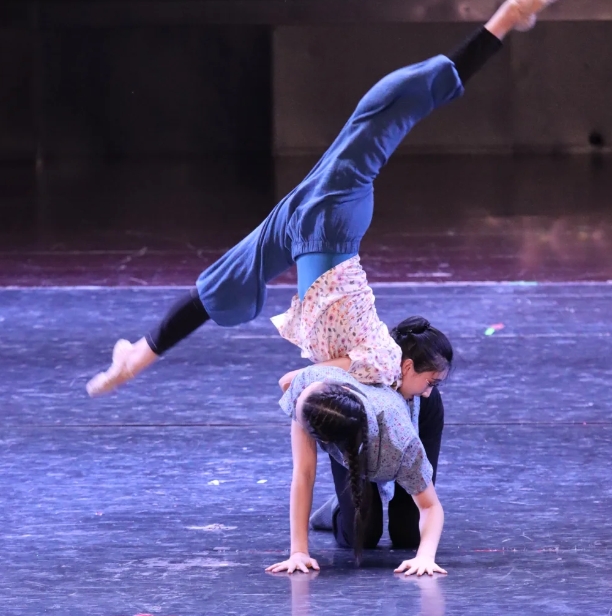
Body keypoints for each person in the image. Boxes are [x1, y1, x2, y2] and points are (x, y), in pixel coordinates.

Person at [86, 0, 557, 397]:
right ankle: (135, 359)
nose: (429, 391)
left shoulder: (364, 136)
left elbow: (425, 89)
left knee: (314, 348)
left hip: (321, 211)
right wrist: (506, 20)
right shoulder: (356, 147)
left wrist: (505, 20)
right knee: (227, 282)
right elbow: (423, 90)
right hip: (315, 210)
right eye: (429, 384)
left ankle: (138, 360)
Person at [265, 315, 451, 576]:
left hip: (384, 429)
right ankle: (339, 504)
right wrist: (298, 551)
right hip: (347, 425)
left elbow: (430, 506)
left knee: (409, 534)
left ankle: (355, 495)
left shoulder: (399, 436)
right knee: (362, 535)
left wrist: (425, 557)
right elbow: (303, 472)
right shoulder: (310, 398)